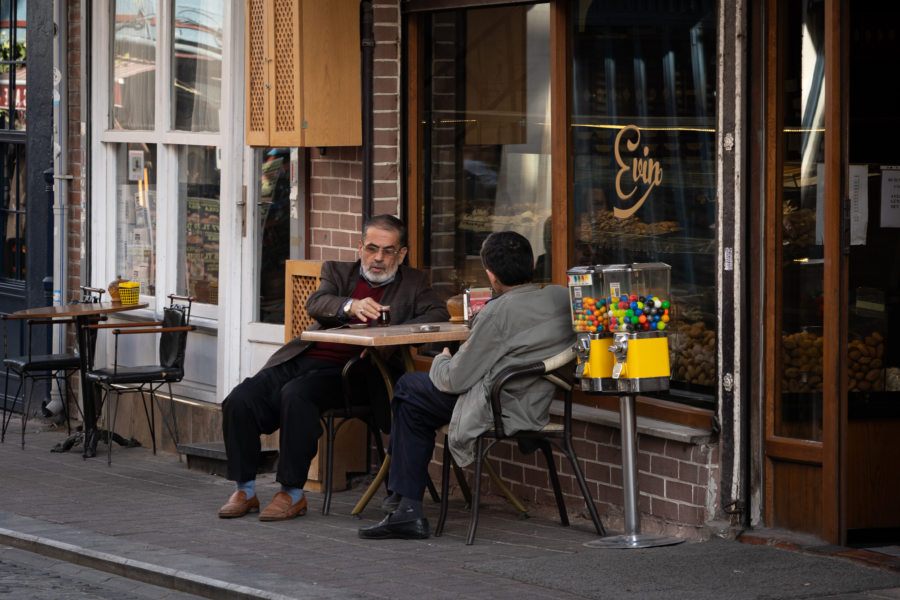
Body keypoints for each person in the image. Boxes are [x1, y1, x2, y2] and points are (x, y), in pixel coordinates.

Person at [218, 215, 449, 521]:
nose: (378, 258)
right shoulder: (339, 272)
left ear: (402, 254)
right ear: (360, 247)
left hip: (355, 372)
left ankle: (292, 493)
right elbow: (316, 302)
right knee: (240, 399)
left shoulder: (414, 283)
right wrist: (350, 306)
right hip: (305, 357)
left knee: (297, 396)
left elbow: (438, 314)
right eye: (371, 248)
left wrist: (387, 335)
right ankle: (244, 489)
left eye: (388, 250)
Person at [358, 230, 576, 540]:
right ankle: (403, 503)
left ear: (490, 274)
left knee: (407, 386)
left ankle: (404, 504)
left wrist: (442, 358)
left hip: (498, 404)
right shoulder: (559, 296)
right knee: (413, 409)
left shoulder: (497, 312)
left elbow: (455, 380)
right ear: (532, 264)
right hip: (534, 398)